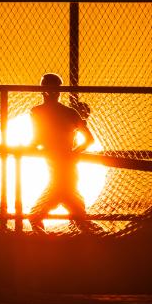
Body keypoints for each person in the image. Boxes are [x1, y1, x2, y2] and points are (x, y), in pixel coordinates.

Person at [28, 74, 98, 234]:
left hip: (61, 174)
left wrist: (25, 149)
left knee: (35, 216)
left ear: (42, 91)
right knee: (79, 219)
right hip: (67, 172)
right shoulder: (69, 112)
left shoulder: (38, 112)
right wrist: (72, 153)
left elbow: (37, 139)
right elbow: (89, 140)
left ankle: (44, 247)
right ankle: (98, 240)